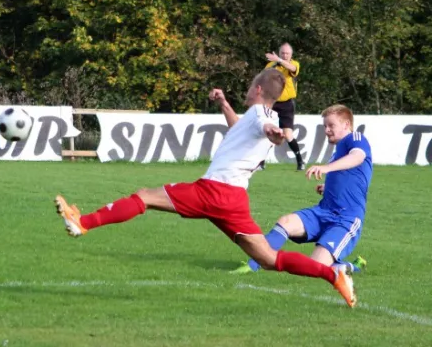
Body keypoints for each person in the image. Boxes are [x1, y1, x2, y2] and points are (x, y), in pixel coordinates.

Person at [54, 69, 356, 308]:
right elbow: (242, 127)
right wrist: (225, 104)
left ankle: (83, 223)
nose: (248, 89)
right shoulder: (257, 116)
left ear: (259, 89)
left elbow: (264, 126)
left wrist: (274, 134)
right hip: (234, 199)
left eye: (251, 85)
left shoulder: (262, 115)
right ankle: (333, 275)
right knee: (268, 259)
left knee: (145, 196)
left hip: (215, 191)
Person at [234, 104, 372, 278]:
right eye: (325, 126)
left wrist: (326, 168)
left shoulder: (356, 138)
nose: (327, 130)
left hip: (346, 218)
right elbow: (349, 178)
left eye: (331, 125)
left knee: (314, 267)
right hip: (324, 211)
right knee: (286, 222)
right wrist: (328, 188)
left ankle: (352, 266)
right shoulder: (337, 152)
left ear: (346, 124)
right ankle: (253, 265)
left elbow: (357, 157)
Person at [264, 43, 305, 171]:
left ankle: (300, 161)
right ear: (279, 52)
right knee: (267, 133)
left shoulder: (294, 64)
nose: (285, 55)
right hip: (272, 102)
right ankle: (260, 161)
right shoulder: (270, 66)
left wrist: (280, 60)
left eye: (287, 53)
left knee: (287, 135)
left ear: (291, 55)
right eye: (282, 53)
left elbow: (292, 69)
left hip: (287, 104)